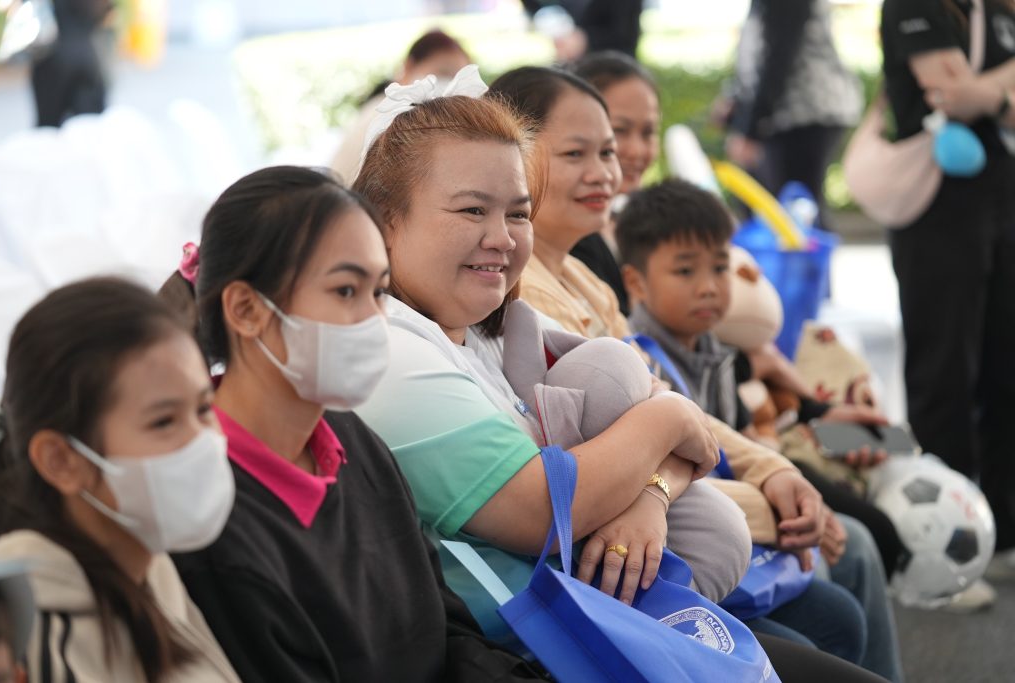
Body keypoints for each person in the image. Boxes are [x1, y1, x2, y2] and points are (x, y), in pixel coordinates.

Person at [489, 64, 878, 667]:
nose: (608, 169)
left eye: (610, 149)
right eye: (576, 153)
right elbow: (621, 451)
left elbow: (672, 409)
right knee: (842, 585)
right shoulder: (524, 292)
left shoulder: (587, 280)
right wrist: (762, 495)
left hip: (686, 512)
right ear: (514, 157)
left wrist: (771, 466)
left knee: (849, 577)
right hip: (632, 555)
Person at [352, 66, 754, 634]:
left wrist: (651, 497)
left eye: (518, 213)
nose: (502, 237)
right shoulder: (389, 353)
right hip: (528, 653)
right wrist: (670, 418)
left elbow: (684, 435)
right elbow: (542, 510)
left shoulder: (492, 328)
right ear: (384, 221)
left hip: (606, 623)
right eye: (472, 210)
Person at [160, 166, 545, 682]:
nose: (373, 320)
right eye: (345, 291)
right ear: (247, 309)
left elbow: (447, 630)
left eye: (378, 291)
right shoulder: (207, 515)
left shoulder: (352, 440)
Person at [616, 178, 905, 681]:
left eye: (720, 268)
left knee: (858, 554)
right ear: (636, 283)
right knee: (849, 558)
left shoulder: (720, 352)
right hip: (702, 546)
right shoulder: (640, 362)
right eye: (685, 271)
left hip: (750, 513)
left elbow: (751, 432)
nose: (709, 286)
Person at [0, 278, 241, 682]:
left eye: (203, 408)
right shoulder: (27, 634)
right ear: (61, 460)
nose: (202, 441)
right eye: (163, 421)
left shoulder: (149, 569)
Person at [881, 0, 1015, 582]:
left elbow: (970, 92)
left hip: (1003, 202)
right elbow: (952, 95)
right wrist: (1001, 93)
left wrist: (987, 93)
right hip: (937, 212)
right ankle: (940, 553)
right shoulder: (916, 5)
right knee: (943, 375)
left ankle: (1002, 533)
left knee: (1005, 370)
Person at [721, 0, 862, 229]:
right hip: (789, 116)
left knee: (797, 210)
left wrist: (751, 129)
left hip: (807, 114)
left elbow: (779, 55)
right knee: (789, 210)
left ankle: (808, 253)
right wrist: (736, 101)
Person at [569, 50, 662, 315]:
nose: (637, 150)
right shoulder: (568, 238)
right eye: (619, 130)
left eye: (648, 132)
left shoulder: (637, 221)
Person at [330, 29, 471, 182]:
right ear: (408, 67)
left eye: (459, 79)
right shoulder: (394, 115)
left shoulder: (381, 106)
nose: (450, 87)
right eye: (443, 74)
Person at [30, 0, 112, 127]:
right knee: (90, 126)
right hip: (85, 57)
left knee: (48, 128)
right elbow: (102, 13)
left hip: (50, 59)